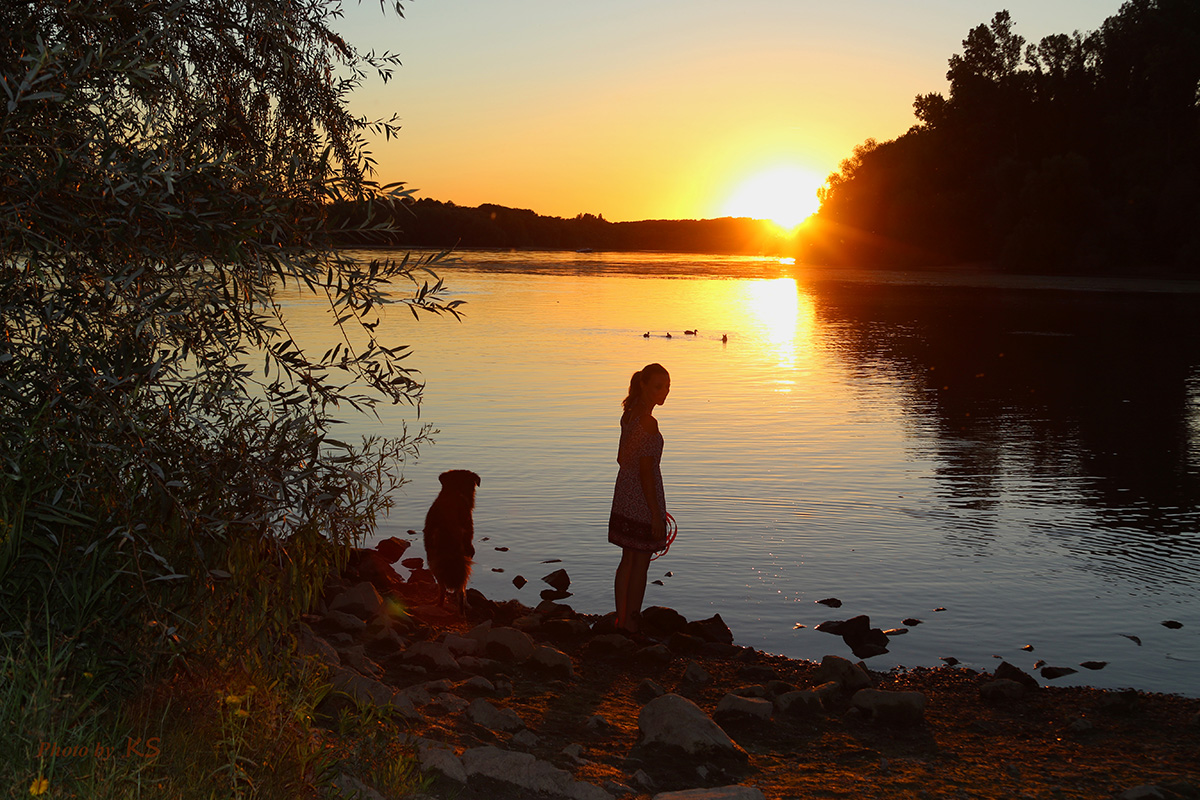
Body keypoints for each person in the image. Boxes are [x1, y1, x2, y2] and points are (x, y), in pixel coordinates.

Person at [608, 362, 670, 636]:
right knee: (640, 561)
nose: (664, 392)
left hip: (625, 492)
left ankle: (622, 619)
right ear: (644, 385)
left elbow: (621, 458)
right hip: (642, 497)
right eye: (659, 386)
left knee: (628, 559)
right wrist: (656, 514)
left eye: (667, 387)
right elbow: (646, 472)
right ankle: (631, 622)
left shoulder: (629, 414)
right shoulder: (648, 422)